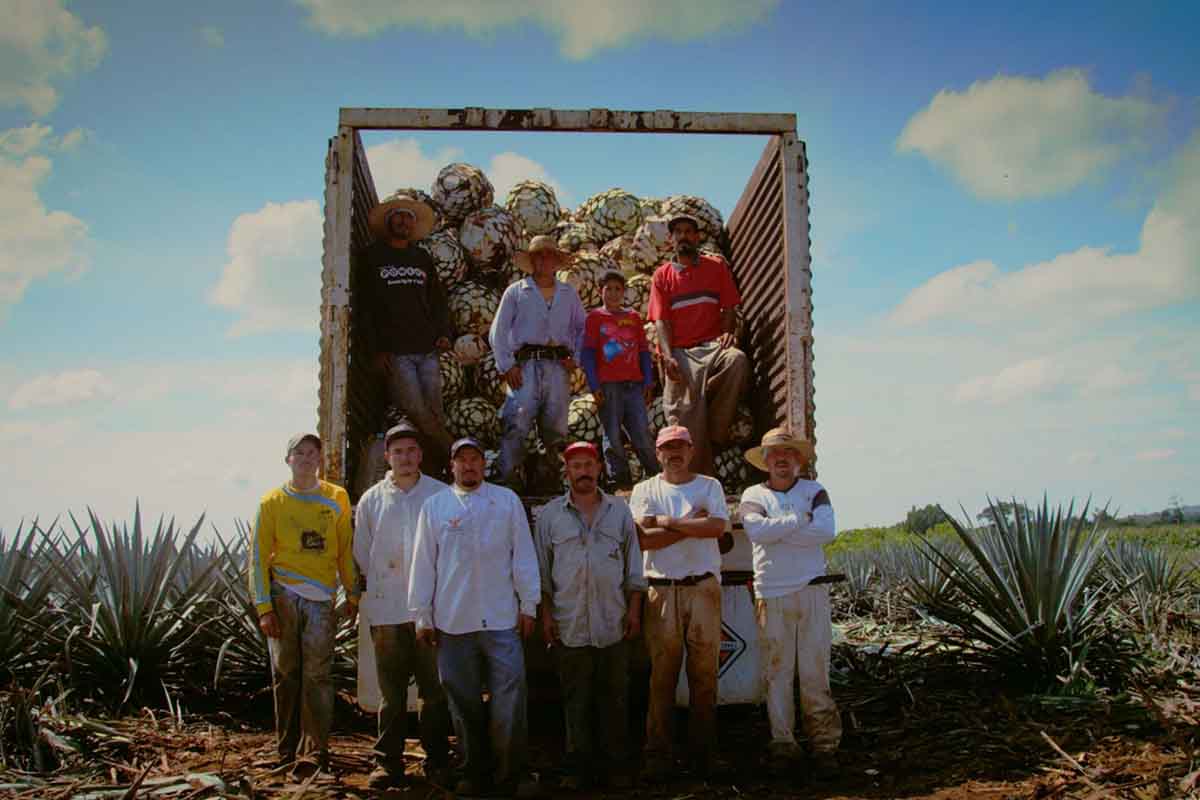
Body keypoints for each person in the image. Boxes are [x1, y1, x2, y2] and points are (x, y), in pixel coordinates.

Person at [408, 437, 541, 797]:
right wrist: (422, 614)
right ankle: (472, 770)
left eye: (475, 459)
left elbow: (523, 556)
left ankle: (512, 774)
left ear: (485, 464)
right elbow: (423, 564)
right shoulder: (435, 507)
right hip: (453, 621)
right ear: (451, 466)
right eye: (461, 460)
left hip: (501, 619)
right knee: (462, 701)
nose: (468, 466)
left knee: (510, 699)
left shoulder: (506, 502)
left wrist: (528, 604)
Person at [533, 441, 646, 791]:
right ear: (566, 472)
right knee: (575, 700)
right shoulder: (550, 516)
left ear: (599, 469)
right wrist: (546, 617)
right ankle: (577, 769)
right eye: (575, 465)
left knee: (615, 698)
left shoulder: (620, 512)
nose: (583, 471)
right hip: (569, 624)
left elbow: (634, 568)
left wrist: (634, 611)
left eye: (588, 464)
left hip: (612, 621)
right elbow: (542, 573)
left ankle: (616, 769)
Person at [249, 433, 359, 770]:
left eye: (313, 453)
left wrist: (352, 593)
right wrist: (264, 608)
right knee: (286, 674)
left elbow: (345, 550)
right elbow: (256, 558)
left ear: (320, 459)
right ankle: (286, 750)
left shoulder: (336, 497)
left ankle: (316, 751)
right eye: (300, 453)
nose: (308, 458)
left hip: (321, 599)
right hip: (284, 595)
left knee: (318, 676)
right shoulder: (271, 502)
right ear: (288, 460)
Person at [353, 422, 451, 790]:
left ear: (420, 455)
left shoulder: (440, 496)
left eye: (411, 451)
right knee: (390, 694)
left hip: (429, 612)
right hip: (387, 609)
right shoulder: (372, 500)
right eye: (398, 452)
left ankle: (437, 761)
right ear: (387, 457)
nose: (405, 458)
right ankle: (387, 764)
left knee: (432, 692)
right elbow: (363, 553)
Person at [629, 425, 728, 781]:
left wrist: (668, 522)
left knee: (704, 674)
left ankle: (704, 752)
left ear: (691, 450)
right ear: (657, 453)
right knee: (662, 676)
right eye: (667, 447)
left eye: (680, 447)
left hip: (702, 588)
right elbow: (643, 540)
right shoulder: (645, 490)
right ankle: (658, 754)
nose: (674, 453)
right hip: (661, 591)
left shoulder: (709, 486)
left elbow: (717, 528)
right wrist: (691, 523)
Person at [740, 428, 841, 778]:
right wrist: (799, 521)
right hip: (771, 593)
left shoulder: (815, 491)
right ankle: (783, 744)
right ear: (765, 461)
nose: (782, 459)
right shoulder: (753, 494)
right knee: (777, 673)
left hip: (811, 590)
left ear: (799, 459)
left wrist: (777, 530)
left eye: (789, 452)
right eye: (774, 453)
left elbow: (826, 532)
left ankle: (825, 747)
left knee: (815, 671)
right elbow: (756, 531)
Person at [647, 214, 749, 476]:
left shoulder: (716, 267)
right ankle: (695, 476)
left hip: (712, 347)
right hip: (681, 351)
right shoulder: (662, 276)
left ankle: (714, 434)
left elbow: (728, 307)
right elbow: (661, 322)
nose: (683, 236)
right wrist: (667, 356)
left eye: (688, 231)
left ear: (697, 237)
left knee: (737, 361)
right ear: (671, 240)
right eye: (678, 232)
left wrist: (728, 333)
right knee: (682, 412)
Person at [363, 191, 454, 477]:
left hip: (426, 349)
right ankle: (455, 455)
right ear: (389, 221)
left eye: (408, 217)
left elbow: (438, 300)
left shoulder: (421, 257)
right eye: (397, 216)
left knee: (435, 413)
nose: (403, 221)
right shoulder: (372, 257)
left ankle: (434, 470)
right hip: (396, 352)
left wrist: (443, 333)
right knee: (416, 409)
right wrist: (375, 350)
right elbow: (364, 309)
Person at [489, 235, 587, 491]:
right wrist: (507, 366)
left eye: (549, 255)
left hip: (557, 367)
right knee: (517, 424)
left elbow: (582, 328)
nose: (544, 260)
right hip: (525, 367)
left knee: (555, 429)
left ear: (557, 261)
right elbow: (498, 331)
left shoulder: (568, 294)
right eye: (539, 256)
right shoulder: (517, 291)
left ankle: (549, 483)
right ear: (531, 261)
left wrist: (575, 358)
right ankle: (508, 482)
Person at [580, 269, 659, 490]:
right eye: (608, 289)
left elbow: (643, 351)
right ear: (600, 291)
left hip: (634, 386)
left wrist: (648, 381)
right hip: (608, 386)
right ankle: (620, 480)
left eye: (618, 289)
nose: (613, 294)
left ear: (624, 292)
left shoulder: (633, 317)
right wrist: (594, 385)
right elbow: (587, 354)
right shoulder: (595, 318)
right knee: (612, 434)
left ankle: (654, 475)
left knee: (641, 432)